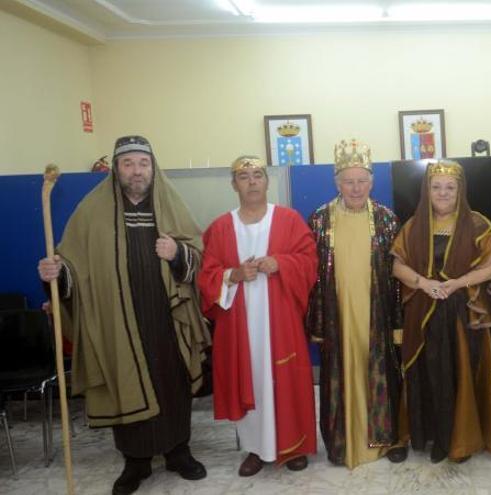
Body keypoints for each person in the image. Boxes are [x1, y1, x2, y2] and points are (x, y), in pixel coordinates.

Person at [37, 135, 209, 495]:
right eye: (128, 163)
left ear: (153, 168)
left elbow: (198, 252)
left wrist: (178, 253)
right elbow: (73, 264)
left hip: (166, 317)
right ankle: (136, 461)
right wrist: (57, 273)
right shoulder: (91, 210)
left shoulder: (170, 203)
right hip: (115, 318)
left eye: (143, 163)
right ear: (116, 169)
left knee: (172, 382)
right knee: (124, 380)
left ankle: (178, 452)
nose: (136, 171)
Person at [197, 156, 318, 476]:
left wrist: (281, 264)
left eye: (257, 175)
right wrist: (233, 275)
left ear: (267, 181)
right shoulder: (221, 227)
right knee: (249, 378)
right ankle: (255, 449)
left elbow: (309, 262)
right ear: (233, 184)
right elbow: (206, 277)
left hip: (281, 320)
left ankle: (295, 446)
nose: (252, 182)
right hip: (239, 324)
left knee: (286, 378)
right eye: (244, 176)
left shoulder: (289, 220)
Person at [391, 159, 491, 463]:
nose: (443, 193)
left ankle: (460, 440)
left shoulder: (478, 224)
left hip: (462, 314)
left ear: (460, 190)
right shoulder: (414, 226)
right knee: (427, 372)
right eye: (436, 187)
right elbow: (397, 265)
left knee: (460, 372)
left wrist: (456, 284)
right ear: (427, 190)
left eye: (450, 187)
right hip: (423, 313)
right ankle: (430, 434)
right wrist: (424, 283)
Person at [307, 139, 407, 468]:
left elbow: (397, 277)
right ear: (337, 183)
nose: (356, 188)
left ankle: (383, 438)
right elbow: (313, 277)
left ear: (371, 182)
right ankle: (342, 444)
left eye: (362, 180)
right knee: (340, 376)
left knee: (380, 374)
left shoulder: (387, 219)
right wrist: (318, 323)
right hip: (337, 316)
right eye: (348, 181)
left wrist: (397, 323)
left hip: (375, 314)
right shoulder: (319, 220)